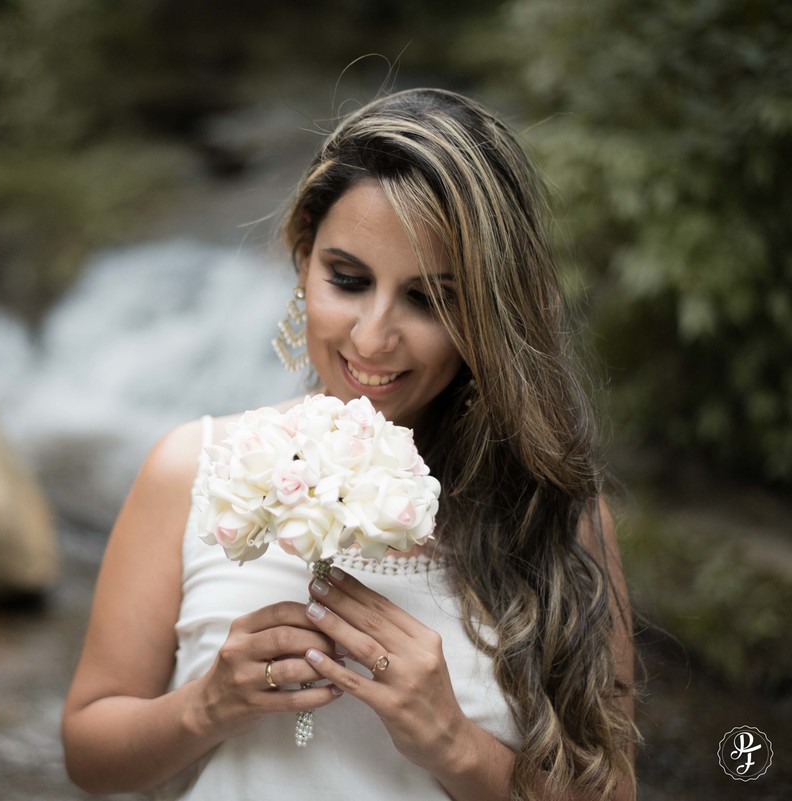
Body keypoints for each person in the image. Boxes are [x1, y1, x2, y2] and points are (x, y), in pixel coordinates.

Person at [62, 88, 637, 801]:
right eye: (349, 279)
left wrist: (455, 745)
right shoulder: (192, 468)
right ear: (304, 258)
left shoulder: (557, 518)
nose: (372, 338)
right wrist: (205, 706)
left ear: (490, 315)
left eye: (429, 298)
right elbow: (88, 754)